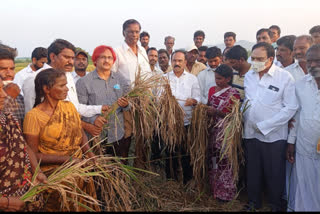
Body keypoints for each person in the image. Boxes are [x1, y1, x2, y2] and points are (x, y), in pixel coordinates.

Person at [23, 68, 99, 211]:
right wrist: (68, 160)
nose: (67, 90)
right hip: (55, 175)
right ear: (47, 89)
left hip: (79, 169)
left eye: (67, 85)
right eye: (62, 86)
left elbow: (78, 130)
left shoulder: (68, 107)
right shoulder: (33, 116)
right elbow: (32, 155)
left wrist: (88, 153)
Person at [243, 42, 298, 211]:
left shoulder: (284, 77)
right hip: (250, 133)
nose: (255, 62)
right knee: (252, 170)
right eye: (253, 58)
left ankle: (275, 205)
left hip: (273, 136)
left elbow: (291, 107)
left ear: (270, 59)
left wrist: (266, 125)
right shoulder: (249, 76)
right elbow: (248, 101)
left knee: (274, 172)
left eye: (259, 59)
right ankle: (253, 202)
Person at [0, 77, 47, 212]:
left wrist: (36, 171)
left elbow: (22, 145)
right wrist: (5, 202)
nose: (4, 95)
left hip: (24, 197)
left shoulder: (8, 118)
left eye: (2, 89)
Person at [76, 45, 131, 159]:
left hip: (117, 133)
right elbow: (79, 109)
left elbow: (129, 103)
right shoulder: (84, 82)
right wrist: (93, 119)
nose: (107, 60)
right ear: (95, 60)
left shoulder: (120, 79)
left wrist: (126, 105)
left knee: (117, 166)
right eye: (103, 57)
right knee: (97, 169)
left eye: (110, 58)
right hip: (95, 135)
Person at [286, 44, 320, 211]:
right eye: (310, 61)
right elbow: (296, 115)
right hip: (305, 146)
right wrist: (291, 142)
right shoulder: (300, 85)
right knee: (305, 184)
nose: (313, 65)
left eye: (317, 61)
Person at [163, 50, 201, 184]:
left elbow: (198, 97)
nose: (177, 63)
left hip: (187, 122)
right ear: (171, 62)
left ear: (185, 62)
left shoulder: (192, 79)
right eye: (174, 61)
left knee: (186, 153)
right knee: (170, 152)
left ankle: (187, 180)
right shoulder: (164, 78)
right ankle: (170, 180)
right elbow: (157, 99)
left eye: (180, 61)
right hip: (169, 123)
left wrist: (194, 101)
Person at [207, 64, 240, 202]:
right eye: (216, 78)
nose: (217, 81)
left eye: (220, 78)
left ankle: (225, 192)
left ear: (228, 79)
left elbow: (234, 116)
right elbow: (209, 105)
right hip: (212, 131)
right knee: (213, 159)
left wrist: (217, 112)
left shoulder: (234, 94)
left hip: (226, 133)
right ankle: (214, 189)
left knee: (225, 161)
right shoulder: (212, 90)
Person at [112, 19, 151, 85]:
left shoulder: (142, 51)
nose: (134, 35)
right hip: (125, 94)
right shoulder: (117, 52)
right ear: (123, 33)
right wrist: (118, 92)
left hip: (145, 94)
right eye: (131, 32)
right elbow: (111, 78)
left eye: (137, 32)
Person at [0, 44, 25, 127]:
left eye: (12, 69)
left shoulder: (19, 96)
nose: (9, 74)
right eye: (2, 69)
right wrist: (9, 97)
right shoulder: (12, 93)